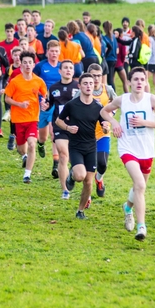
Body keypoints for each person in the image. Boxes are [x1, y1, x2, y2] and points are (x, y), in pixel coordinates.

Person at [100, 66, 155, 241]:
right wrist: (114, 124)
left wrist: (144, 122)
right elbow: (103, 111)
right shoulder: (122, 100)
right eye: (136, 79)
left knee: (140, 187)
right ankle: (141, 227)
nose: (139, 82)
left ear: (146, 82)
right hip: (127, 147)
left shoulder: (152, 100)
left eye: (142, 79)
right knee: (139, 184)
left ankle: (127, 207)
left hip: (146, 149)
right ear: (129, 82)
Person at [56, 73, 106, 220]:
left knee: (89, 182)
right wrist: (67, 128)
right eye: (85, 83)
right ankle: (71, 176)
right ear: (80, 86)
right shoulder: (72, 105)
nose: (89, 86)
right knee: (80, 176)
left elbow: (104, 124)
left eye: (91, 83)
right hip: (76, 147)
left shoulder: (98, 107)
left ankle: (80, 211)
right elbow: (59, 121)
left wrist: (106, 128)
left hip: (91, 147)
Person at [4, 51, 47, 183]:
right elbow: (6, 99)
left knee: (32, 144)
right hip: (18, 119)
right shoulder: (15, 82)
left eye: (30, 62)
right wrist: (19, 104)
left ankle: (27, 175)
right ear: (21, 65)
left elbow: (45, 95)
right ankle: (24, 156)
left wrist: (44, 102)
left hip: (33, 119)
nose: (28, 65)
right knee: (21, 148)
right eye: (25, 62)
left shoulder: (38, 81)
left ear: (34, 64)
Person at [42, 60, 79, 199]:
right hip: (59, 125)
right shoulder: (53, 88)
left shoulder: (78, 87)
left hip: (76, 126)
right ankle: (65, 190)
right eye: (65, 68)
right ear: (60, 71)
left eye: (71, 68)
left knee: (72, 157)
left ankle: (72, 175)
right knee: (63, 155)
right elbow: (49, 104)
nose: (68, 70)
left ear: (73, 71)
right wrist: (45, 106)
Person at [83, 64, 117, 202]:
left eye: (98, 75)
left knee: (102, 164)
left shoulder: (108, 89)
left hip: (103, 132)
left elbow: (116, 103)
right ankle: (87, 196)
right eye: (93, 75)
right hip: (87, 134)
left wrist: (110, 116)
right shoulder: (83, 90)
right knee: (88, 167)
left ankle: (99, 179)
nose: (96, 78)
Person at [33, 40, 62, 177]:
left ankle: (56, 165)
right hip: (43, 104)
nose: (54, 54)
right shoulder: (40, 66)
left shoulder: (62, 67)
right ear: (47, 52)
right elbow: (33, 83)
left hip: (57, 104)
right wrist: (41, 98)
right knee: (43, 136)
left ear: (59, 52)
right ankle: (40, 143)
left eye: (56, 51)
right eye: (52, 51)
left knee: (53, 132)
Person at [4, 46, 23, 151]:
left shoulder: (27, 68)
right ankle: (12, 135)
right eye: (15, 55)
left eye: (19, 55)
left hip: (25, 95)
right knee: (14, 115)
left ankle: (20, 137)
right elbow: (8, 81)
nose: (18, 57)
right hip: (14, 95)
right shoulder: (12, 70)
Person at [102, 21, 118, 91]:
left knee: (109, 80)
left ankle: (113, 94)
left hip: (109, 59)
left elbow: (108, 47)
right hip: (114, 59)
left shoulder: (104, 38)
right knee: (111, 79)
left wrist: (105, 56)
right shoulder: (114, 37)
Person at [114, 28, 130, 93]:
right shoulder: (122, 42)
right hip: (119, 64)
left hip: (112, 63)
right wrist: (123, 62)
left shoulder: (112, 41)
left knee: (112, 81)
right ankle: (127, 94)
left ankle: (113, 96)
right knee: (124, 81)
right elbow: (123, 54)